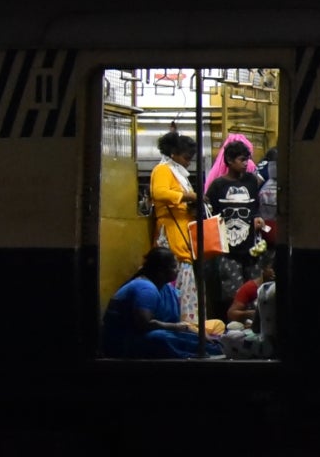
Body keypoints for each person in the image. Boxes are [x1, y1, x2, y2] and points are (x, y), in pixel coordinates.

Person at [101, 247, 218, 360]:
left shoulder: (166, 288)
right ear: (160, 271)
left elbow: (175, 324)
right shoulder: (145, 289)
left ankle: (216, 347)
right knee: (159, 339)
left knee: (205, 336)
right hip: (125, 343)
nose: (177, 270)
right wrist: (178, 328)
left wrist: (196, 332)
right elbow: (144, 324)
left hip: (151, 334)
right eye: (173, 267)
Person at [149, 131, 201, 327]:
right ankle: (182, 322)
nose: (188, 163)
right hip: (171, 232)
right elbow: (159, 192)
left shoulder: (177, 173)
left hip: (181, 231)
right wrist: (190, 197)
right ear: (173, 153)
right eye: (186, 158)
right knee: (177, 275)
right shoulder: (163, 170)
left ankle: (185, 322)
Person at [204, 139, 265, 298]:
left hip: (252, 250)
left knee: (254, 293)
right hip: (227, 252)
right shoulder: (218, 185)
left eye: (247, 159)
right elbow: (208, 213)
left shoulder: (252, 181)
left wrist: (257, 216)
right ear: (230, 161)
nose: (246, 163)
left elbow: (255, 205)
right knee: (234, 295)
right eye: (242, 159)